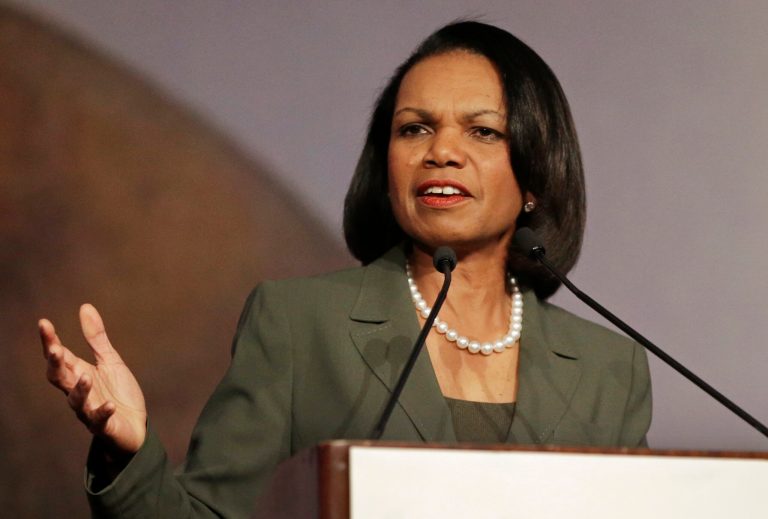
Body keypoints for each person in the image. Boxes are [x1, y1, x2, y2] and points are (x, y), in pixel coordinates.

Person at [40, 21, 651, 518]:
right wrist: (130, 455)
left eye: (482, 132)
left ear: (536, 180)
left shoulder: (608, 372)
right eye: (414, 129)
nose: (441, 151)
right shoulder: (299, 326)